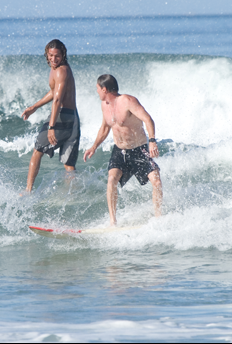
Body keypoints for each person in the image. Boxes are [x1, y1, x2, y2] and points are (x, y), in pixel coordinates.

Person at [83, 74, 163, 225]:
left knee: (156, 182)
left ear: (104, 89)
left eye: (98, 89)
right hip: (120, 151)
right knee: (112, 179)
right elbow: (105, 127)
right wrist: (94, 147)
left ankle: (158, 219)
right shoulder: (104, 105)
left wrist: (152, 141)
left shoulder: (127, 101)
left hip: (139, 149)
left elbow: (148, 119)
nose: (97, 92)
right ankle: (113, 221)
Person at [21, 39, 80, 192]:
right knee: (68, 164)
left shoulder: (61, 70)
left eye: (57, 56)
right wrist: (34, 107)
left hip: (61, 116)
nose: (54, 59)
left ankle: (28, 191)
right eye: (51, 55)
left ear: (63, 55)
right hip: (73, 117)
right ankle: (71, 196)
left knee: (37, 151)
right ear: (47, 54)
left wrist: (52, 126)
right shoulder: (59, 69)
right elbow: (54, 92)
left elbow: (58, 99)